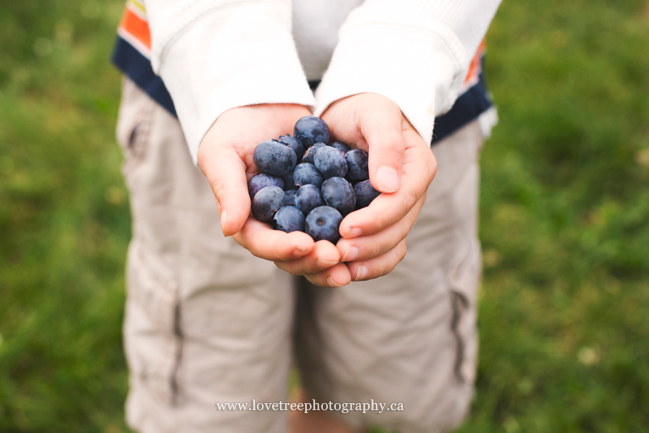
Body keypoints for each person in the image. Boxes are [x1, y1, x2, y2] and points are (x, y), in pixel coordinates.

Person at [112, 0, 501, 432]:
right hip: (194, 84)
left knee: (384, 389)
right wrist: (233, 77)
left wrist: (402, 58)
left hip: (419, 100)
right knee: (211, 396)